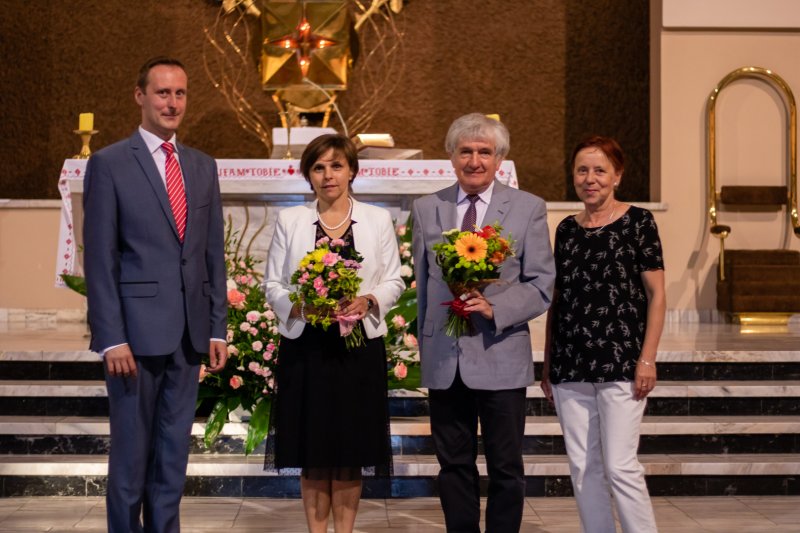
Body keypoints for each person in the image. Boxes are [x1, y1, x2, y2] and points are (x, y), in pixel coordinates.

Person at [83, 57, 228, 532]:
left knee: (171, 457)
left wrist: (217, 328)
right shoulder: (108, 163)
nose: (172, 103)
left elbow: (211, 255)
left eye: (180, 94)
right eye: (162, 93)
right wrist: (110, 338)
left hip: (187, 336)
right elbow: (100, 259)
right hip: (133, 339)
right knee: (130, 458)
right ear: (140, 95)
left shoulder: (202, 166)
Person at [412, 113, 556, 532]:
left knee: (506, 466)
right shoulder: (426, 208)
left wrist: (498, 309)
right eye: (466, 151)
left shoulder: (527, 207)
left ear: (500, 160)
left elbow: (541, 281)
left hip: (501, 353)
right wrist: (427, 345)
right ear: (452, 157)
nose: (475, 160)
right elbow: (423, 285)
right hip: (445, 359)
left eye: (484, 152)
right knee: (453, 464)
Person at [264, 133, 404, 533]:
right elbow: (273, 284)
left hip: (358, 349)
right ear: (308, 175)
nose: (328, 175)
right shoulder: (291, 220)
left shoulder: (377, 219)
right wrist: (301, 307)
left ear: (352, 171)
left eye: (336, 166)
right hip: (306, 347)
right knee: (313, 450)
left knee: (349, 448)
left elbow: (394, 279)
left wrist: (370, 300)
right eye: (319, 167)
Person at [541, 135, 665, 533]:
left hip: (622, 360)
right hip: (570, 362)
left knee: (620, 465)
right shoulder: (565, 230)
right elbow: (557, 301)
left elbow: (657, 294)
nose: (589, 179)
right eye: (582, 170)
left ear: (617, 176)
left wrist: (647, 358)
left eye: (599, 170)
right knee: (582, 467)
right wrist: (548, 363)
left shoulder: (638, 221)